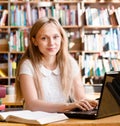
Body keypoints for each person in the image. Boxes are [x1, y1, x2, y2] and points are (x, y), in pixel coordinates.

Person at [15, 17, 98, 113]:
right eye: (44, 38)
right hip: (36, 121)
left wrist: (90, 103)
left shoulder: (70, 63)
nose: (51, 43)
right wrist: (67, 106)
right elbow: (32, 104)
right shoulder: (28, 65)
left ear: (62, 38)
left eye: (55, 37)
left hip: (62, 120)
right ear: (34, 41)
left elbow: (80, 98)